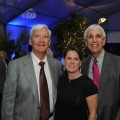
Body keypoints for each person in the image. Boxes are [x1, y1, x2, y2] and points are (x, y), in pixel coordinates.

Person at [1, 24, 62, 120]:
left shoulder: (57, 65)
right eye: (37, 36)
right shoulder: (15, 66)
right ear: (30, 41)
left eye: (45, 37)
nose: (41, 40)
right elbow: (8, 102)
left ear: (49, 42)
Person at [81, 24, 120, 120]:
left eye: (98, 36)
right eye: (90, 37)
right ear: (86, 42)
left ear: (104, 41)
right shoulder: (82, 65)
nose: (94, 40)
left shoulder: (118, 62)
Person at [55, 45, 98, 120]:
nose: (72, 62)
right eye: (69, 58)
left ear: (80, 62)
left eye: (76, 59)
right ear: (64, 60)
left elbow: (93, 114)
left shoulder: (88, 84)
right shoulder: (60, 80)